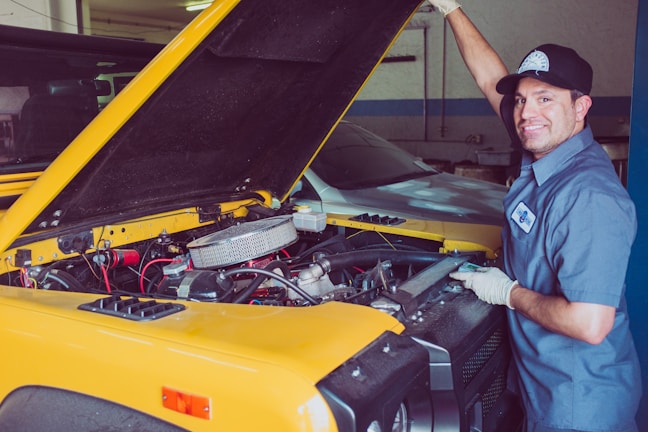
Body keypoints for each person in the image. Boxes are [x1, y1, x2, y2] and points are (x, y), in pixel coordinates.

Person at [427, 1, 642, 431]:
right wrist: (450, 9)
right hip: (542, 391)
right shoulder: (546, 150)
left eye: (545, 98)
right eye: (523, 99)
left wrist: (507, 292)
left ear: (581, 107)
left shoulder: (589, 196)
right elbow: (491, 81)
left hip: (579, 405)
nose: (527, 113)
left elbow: (590, 322)